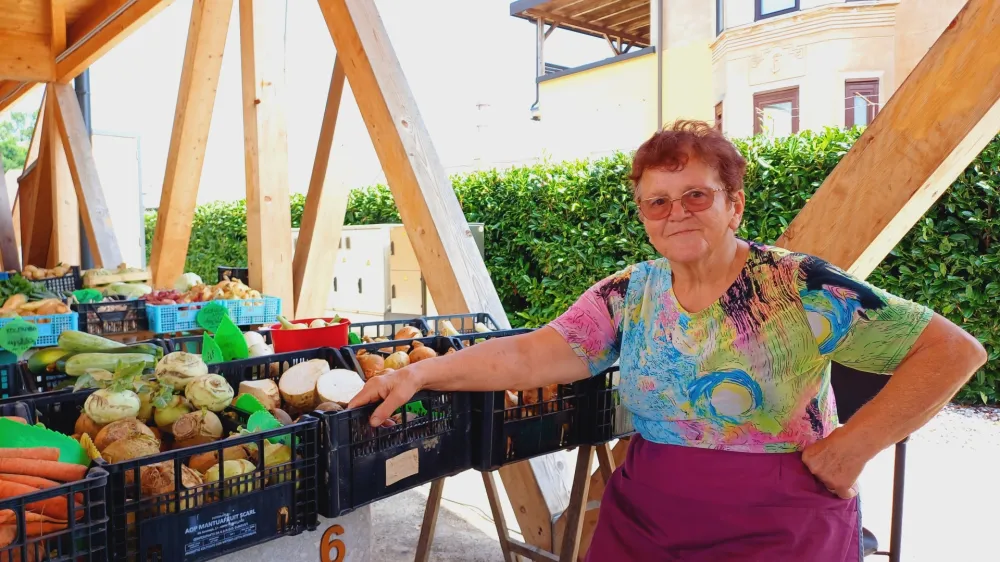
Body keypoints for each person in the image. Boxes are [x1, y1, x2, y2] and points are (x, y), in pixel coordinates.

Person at [348, 120, 986, 561]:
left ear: (733, 204)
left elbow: (954, 351)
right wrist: (421, 374)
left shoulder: (799, 285)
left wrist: (852, 448)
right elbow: (530, 351)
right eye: (656, 202)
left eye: (695, 195)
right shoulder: (631, 293)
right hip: (651, 520)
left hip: (782, 523)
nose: (675, 212)